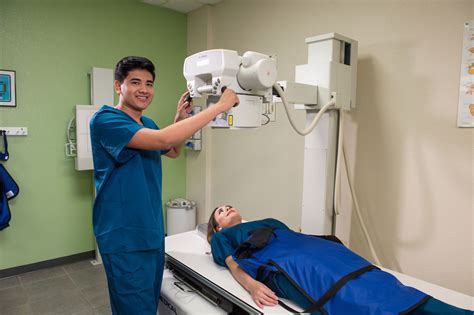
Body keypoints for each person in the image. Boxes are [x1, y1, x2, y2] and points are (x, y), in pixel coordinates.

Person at [89, 56, 239, 315]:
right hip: (124, 234)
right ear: (118, 86)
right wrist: (219, 107)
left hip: (151, 229)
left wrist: (179, 118)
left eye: (149, 83)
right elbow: (162, 140)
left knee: (148, 303)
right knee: (133, 308)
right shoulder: (105, 121)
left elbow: (172, 149)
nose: (144, 89)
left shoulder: (146, 123)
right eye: (135, 82)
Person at [207, 205, 472, 314]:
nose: (227, 208)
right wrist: (251, 285)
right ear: (217, 227)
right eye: (220, 211)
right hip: (294, 262)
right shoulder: (224, 237)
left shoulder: (268, 220)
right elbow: (233, 263)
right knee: (354, 294)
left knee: (379, 282)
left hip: (317, 249)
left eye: (228, 205)